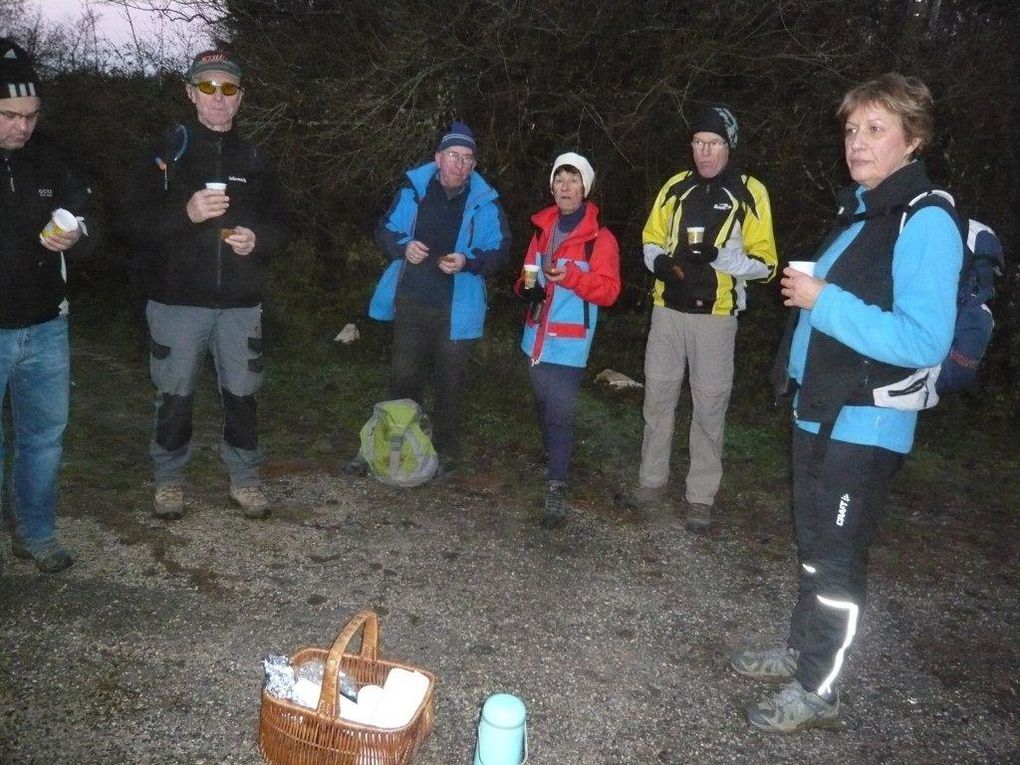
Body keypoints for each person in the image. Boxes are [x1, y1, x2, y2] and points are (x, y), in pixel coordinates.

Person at [730, 73, 963, 733]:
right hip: (820, 408)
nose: (856, 143)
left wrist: (821, 299)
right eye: (852, 129)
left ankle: (818, 685)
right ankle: (803, 649)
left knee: (837, 559)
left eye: (875, 129)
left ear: (912, 140)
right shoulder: (861, 211)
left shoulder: (926, 221)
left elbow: (923, 338)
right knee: (813, 544)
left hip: (868, 420)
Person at [126, 50, 289, 520]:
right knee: (174, 394)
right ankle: (169, 479)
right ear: (190, 93)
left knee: (242, 392)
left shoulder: (255, 156)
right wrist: (186, 214)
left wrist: (258, 240)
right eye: (208, 87)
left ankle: (244, 476)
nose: (219, 98)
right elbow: (131, 224)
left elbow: (283, 223)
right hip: (176, 301)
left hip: (240, 302)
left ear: (241, 98)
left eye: (229, 89)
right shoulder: (165, 153)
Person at [622, 104, 777, 530]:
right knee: (657, 400)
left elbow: (767, 265)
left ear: (729, 146)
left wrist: (725, 259)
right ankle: (650, 483)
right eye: (698, 143)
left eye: (713, 144)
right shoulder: (675, 187)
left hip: (717, 318)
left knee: (709, 408)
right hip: (666, 313)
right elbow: (650, 239)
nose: (704, 153)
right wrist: (658, 264)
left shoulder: (750, 191)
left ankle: (700, 496)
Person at [356, 121, 511, 477]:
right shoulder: (414, 191)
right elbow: (385, 229)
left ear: (473, 165)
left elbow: (501, 251)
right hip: (411, 301)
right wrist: (403, 247)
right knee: (404, 377)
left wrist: (468, 262)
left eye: (467, 158)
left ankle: (445, 454)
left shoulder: (486, 203)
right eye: (453, 155)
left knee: (450, 383)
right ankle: (397, 443)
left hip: (457, 310)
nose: (459, 164)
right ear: (438, 158)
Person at [0, 39, 97, 573]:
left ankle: (35, 535)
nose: (22, 126)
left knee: (43, 440)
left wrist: (76, 233)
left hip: (45, 327)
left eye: (30, 115)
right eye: (10, 115)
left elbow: (88, 217)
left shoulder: (52, 156)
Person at [514, 153, 620, 528]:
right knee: (544, 408)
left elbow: (609, 291)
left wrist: (571, 278)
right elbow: (528, 273)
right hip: (536, 338)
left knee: (559, 413)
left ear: (585, 188)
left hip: (571, 343)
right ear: (552, 186)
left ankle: (557, 487)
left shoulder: (600, 239)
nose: (566, 187)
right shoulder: (543, 229)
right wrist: (527, 289)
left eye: (574, 180)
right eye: (560, 179)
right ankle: (555, 460)